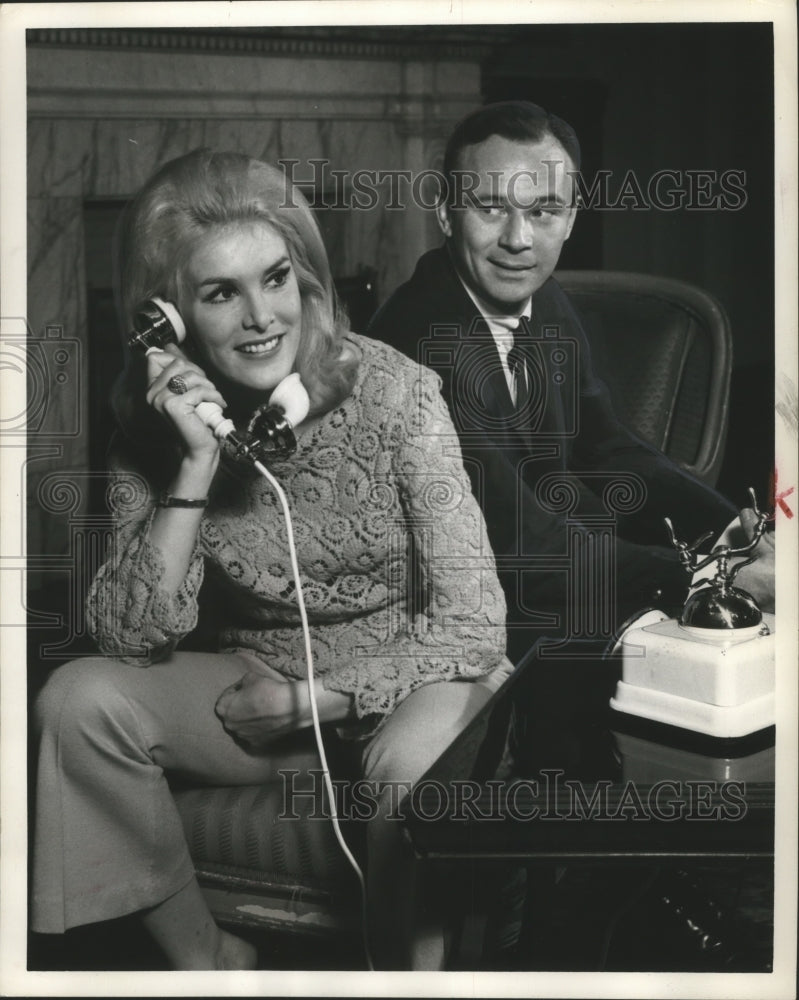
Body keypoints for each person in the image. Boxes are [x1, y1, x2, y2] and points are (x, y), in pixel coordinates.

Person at [30, 149, 512, 971]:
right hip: (257, 687)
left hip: (415, 683)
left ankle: (407, 984)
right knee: (78, 699)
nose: (261, 316)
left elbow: (474, 623)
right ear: (168, 320)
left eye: (276, 278)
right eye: (221, 293)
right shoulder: (154, 432)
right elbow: (127, 640)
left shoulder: (397, 394)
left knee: (405, 766)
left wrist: (305, 703)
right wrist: (192, 464)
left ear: (306, 281)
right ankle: (209, 957)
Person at [368, 100, 774, 661]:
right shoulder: (419, 345)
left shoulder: (544, 298)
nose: (518, 239)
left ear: (571, 220)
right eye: (490, 207)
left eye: (544, 212)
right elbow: (519, 549)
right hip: (460, 621)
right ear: (445, 213)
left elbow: (605, 446)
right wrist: (704, 572)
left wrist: (729, 528)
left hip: (551, 576)